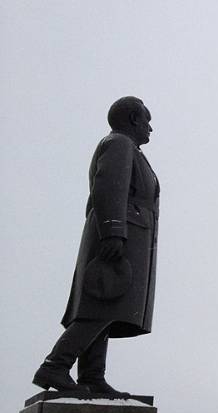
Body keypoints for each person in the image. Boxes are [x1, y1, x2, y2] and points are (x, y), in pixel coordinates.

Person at [32, 96, 159, 396]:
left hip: (127, 236)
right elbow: (108, 186)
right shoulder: (119, 144)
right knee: (101, 305)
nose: (151, 128)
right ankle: (55, 365)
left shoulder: (130, 150)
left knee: (108, 306)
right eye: (146, 120)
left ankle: (92, 375)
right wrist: (114, 231)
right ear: (132, 120)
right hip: (118, 237)